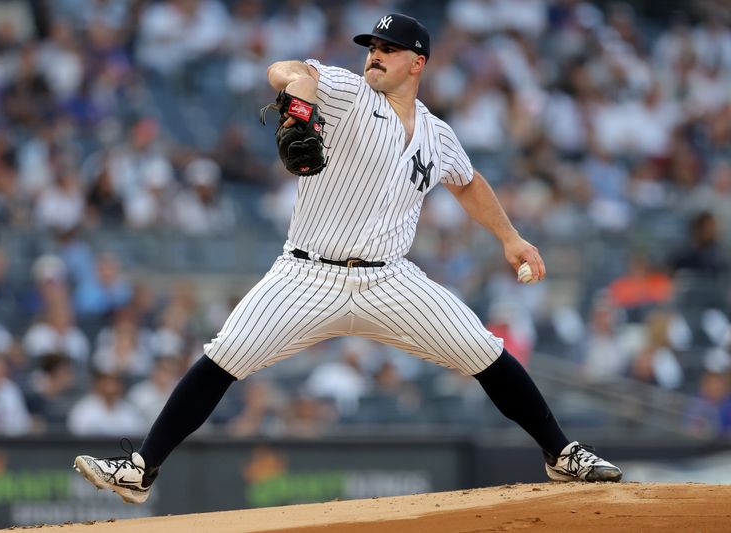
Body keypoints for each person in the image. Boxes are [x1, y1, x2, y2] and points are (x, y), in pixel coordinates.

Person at [74, 13, 621, 505]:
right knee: (224, 357)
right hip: (307, 275)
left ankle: (560, 454)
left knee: (484, 350)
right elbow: (283, 70)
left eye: (387, 47)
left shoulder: (436, 133)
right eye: (371, 45)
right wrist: (302, 97)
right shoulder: (348, 93)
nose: (374, 54)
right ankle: (140, 471)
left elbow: (468, 182)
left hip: (390, 281)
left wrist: (510, 238)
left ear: (418, 63)